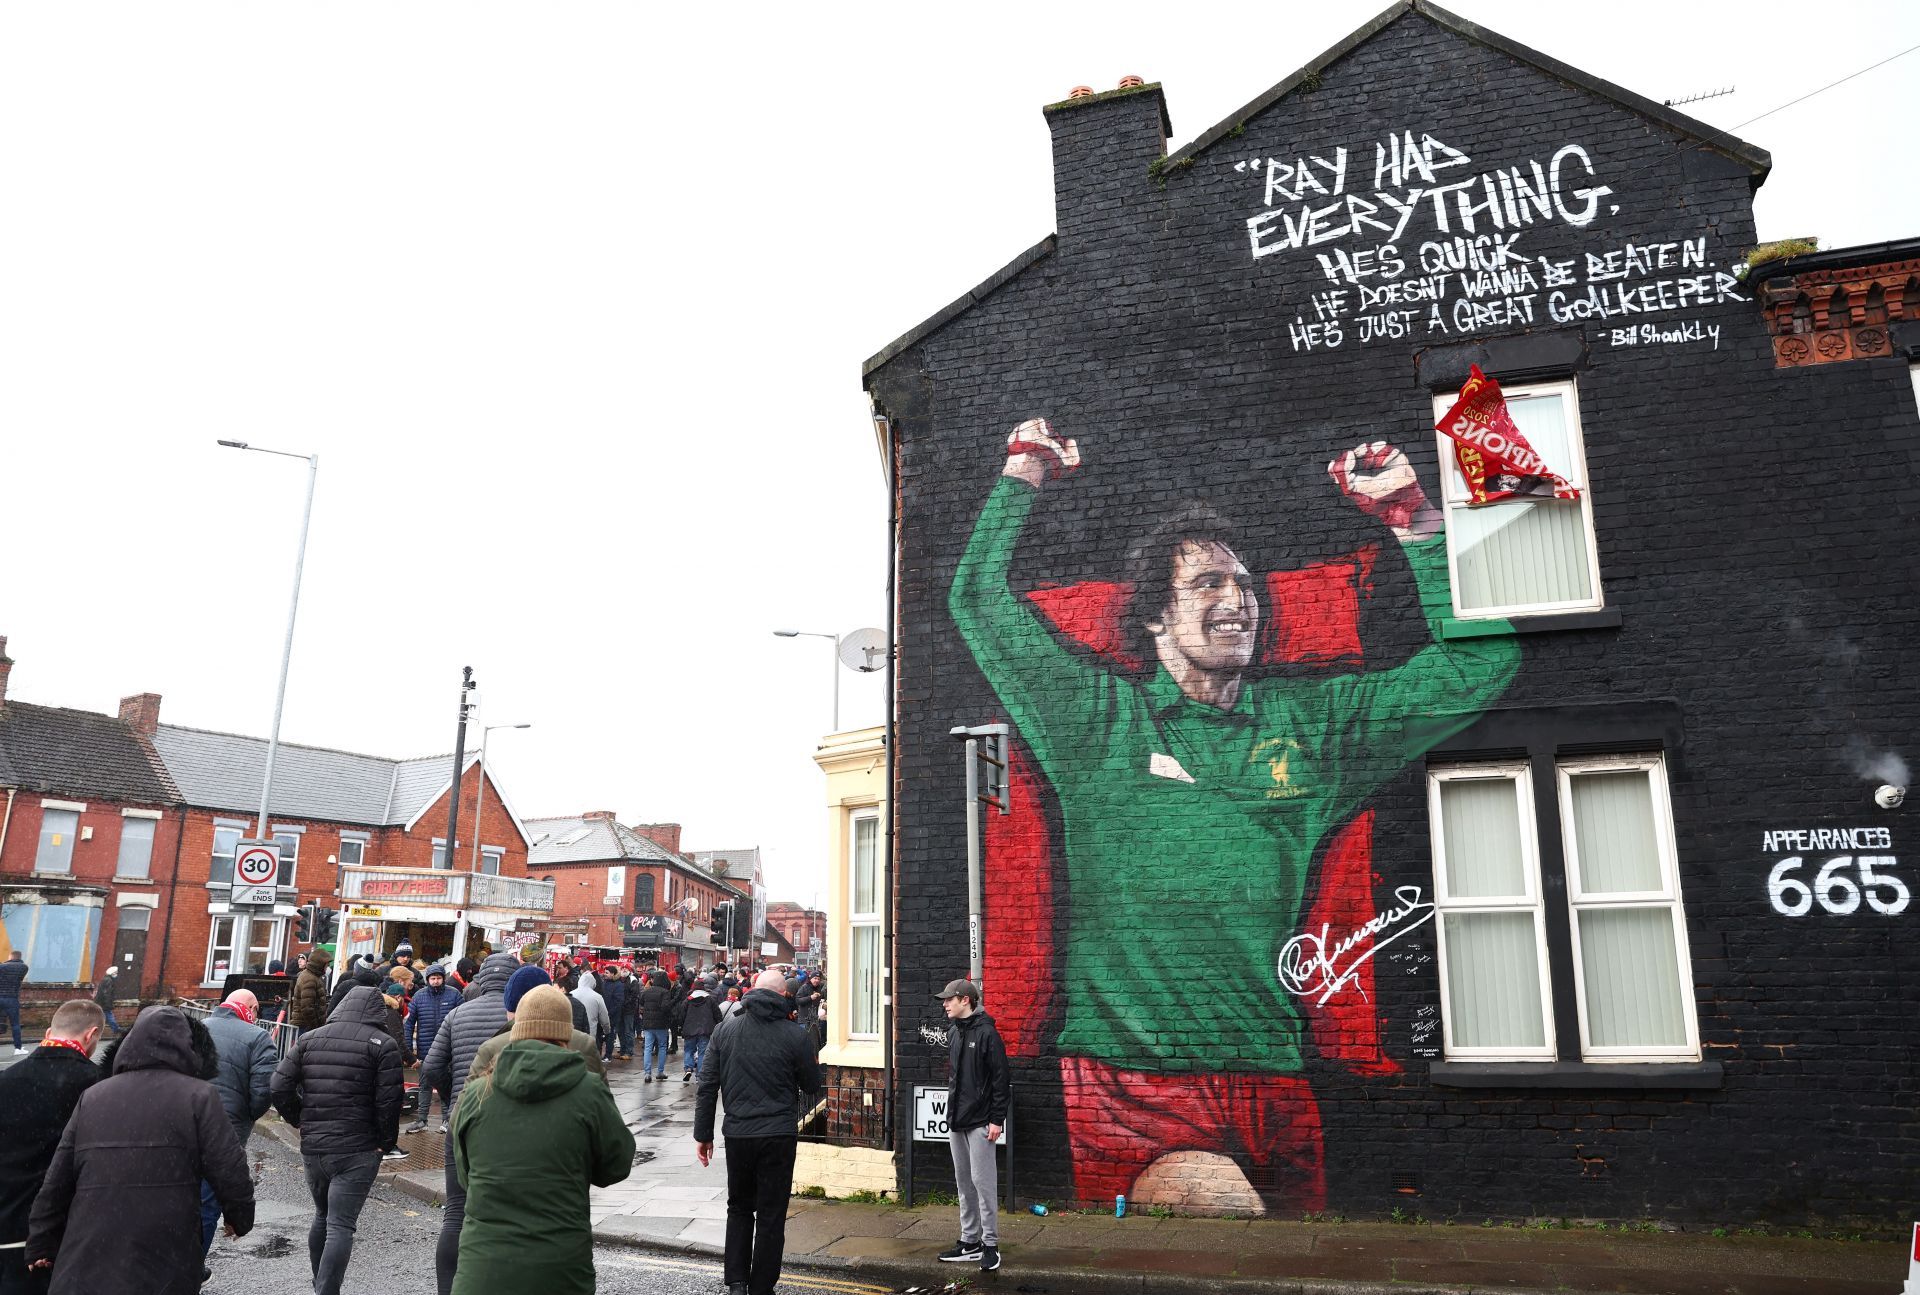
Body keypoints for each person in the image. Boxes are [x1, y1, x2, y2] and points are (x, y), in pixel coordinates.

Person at [948, 420, 1520, 1212]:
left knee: (1297, 1263)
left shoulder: (1315, 726)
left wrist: (1414, 522)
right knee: (1233, 1226)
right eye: (1208, 584)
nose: (1238, 600)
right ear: (1155, 619)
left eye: (1245, 584)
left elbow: (1479, 664)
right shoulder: (1095, 718)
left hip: (1277, 1074)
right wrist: (1023, 470)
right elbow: (975, 599)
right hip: (1133, 1085)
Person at [27, 1006, 253, 1293]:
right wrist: (239, 1217)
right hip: (165, 1249)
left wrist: (41, 1240)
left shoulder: (94, 1096)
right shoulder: (199, 1096)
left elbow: (58, 1178)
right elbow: (229, 1167)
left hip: (90, 1248)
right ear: (188, 1049)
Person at [449, 986, 634, 1294]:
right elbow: (616, 1165)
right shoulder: (588, 1091)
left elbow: (465, 1175)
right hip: (560, 1270)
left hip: (482, 1271)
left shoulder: (476, 1093)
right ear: (566, 1034)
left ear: (516, 1031)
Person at [694, 969, 822, 1295]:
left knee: (738, 1207)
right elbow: (811, 1085)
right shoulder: (795, 1036)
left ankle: (737, 1282)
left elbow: (707, 1086)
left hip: (737, 1134)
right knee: (771, 1212)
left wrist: (703, 1135)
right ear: (784, 997)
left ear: (751, 991)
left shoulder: (725, 1031)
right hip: (778, 1135)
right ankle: (762, 1287)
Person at [270, 985, 404, 1295]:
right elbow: (389, 1101)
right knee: (341, 1225)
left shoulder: (309, 1038)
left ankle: (320, 1283)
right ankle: (325, 1291)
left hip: (316, 1145)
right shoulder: (383, 1044)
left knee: (322, 1216)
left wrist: (299, 1119)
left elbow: (278, 1086)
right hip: (358, 1147)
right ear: (376, 1012)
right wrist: (385, 1141)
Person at [420, 950, 517, 1295]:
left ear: (481, 978)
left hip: (461, 1120)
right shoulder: (521, 1019)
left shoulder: (458, 1013)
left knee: (457, 1212)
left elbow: (430, 1068)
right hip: (509, 1124)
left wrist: (452, 1098)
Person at [0, 1000, 101, 1294]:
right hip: (57, 1229)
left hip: (6, 1218)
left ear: (49, 1030)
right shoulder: (96, 1086)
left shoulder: (7, 1079)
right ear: (91, 1035)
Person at [934, 979, 1011, 1272]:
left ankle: (990, 1244)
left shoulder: (988, 1033)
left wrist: (996, 1119)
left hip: (981, 1122)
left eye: (949, 999)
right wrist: (951, 1116)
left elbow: (1001, 1080)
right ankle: (970, 1242)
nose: (945, 1004)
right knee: (963, 1183)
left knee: (984, 1184)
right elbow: (956, 1079)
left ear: (965, 1000)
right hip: (957, 1120)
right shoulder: (954, 1032)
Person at [200, 989, 278, 1256]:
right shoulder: (258, 1037)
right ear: (252, 1009)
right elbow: (263, 1093)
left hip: (189, 1122)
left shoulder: (199, 1028)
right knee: (208, 1202)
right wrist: (248, 1115)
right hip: (227, 1131)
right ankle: (193, 1268)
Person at [467, 967, 606, 1085]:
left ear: (513, 1006)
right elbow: (603, 1102)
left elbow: (465, 1108)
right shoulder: (585, 1044)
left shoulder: (491, 1048)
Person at [407, 966, 460, 1133]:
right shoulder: (419, 996)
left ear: (443, 978)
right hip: (425, 1050)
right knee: (424, 1086)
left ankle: (446, 1119)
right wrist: (409, 1052)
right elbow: (409, 1024)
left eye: (438, 977)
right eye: (432, 978)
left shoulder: (454, 994)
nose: (436, 981)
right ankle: (422, 1120)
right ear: (428, 979)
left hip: (448, 1050)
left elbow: (463, 1017)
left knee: (446, 1085)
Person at [679, 977, 720, 1082]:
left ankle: (688, 1068)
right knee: (703, 1052)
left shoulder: (688, 1000)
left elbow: (681, 1015)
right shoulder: (710, 999)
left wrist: (681, 1026)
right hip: (705, 1030)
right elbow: (717, 1014)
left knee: (688, 1050)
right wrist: (718, 1025)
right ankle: (700, 1075)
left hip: (689, 1030)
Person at [637, 971, 673, 1083]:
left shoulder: (647, 991)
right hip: (661, 1024)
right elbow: (666, 1007)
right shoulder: (665, 992)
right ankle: (660, 1072)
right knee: (662, 1047)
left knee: (648, 1047)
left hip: (648, 1024)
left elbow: (641, 1001)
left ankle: (647, 1073)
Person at [570, 968, 610, 1059]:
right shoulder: (597, 997)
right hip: (590, 1034)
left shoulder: (571, 994)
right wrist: (607, 1030)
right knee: (589, 1059)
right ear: (593, 983)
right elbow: (604, 1017)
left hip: (572, 1033)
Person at [289, 946, 331, 1032]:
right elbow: (307, 1008)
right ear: (320, 964)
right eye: (326, 964)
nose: (327, 967)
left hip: (305, 1025)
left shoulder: (313, 976)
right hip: (305, 1026)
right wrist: (315, 1026)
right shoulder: (310, 979)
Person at [596, 964, 629, 1063]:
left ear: (613, 974)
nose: (604, 974)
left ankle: (608, 1055)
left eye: (607, 973)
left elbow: (618, 1002)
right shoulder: (604, 983)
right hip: (602, 1014)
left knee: (609, 1036)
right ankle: (599, 1054)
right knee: (599, 1035)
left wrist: (609, 1013)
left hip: (612, 1016)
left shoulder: (618, 985)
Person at [0, 952, 25, 1052]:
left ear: (10, 957)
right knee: (15, 1025)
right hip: (11, 999)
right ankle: (18, 1048)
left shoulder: (2, 967)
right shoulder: (23, 968)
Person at [90, 966, 122, 1037]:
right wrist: (108, 1004)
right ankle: (116, 1029)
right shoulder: (109, 981)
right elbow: (107, 993)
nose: (117, 974)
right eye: (116, 973)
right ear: (113, 973)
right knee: (109, 1016)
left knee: (102, 1017)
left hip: (100, 1002)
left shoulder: (106, 979)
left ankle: (115, 1029)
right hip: (104, 1003)